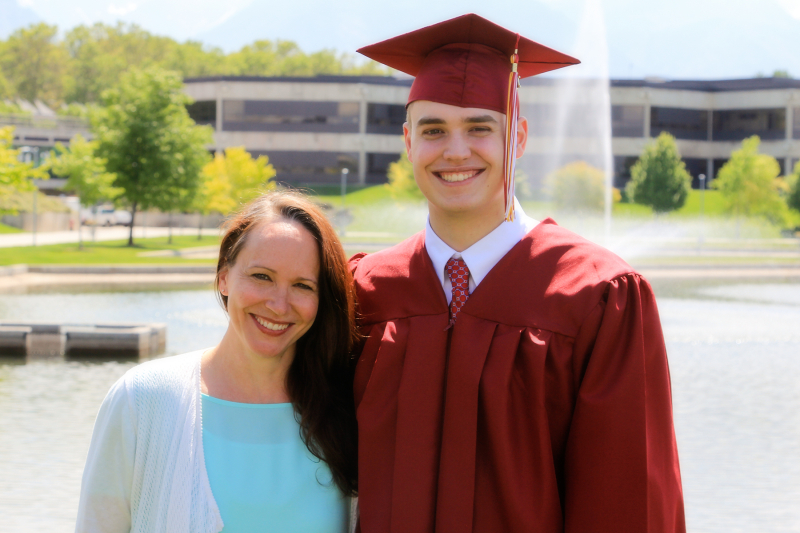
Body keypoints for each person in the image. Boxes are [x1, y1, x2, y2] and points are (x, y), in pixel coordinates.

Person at [349, 13, 685, 533]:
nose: (455, 150)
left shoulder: (597, 296)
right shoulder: (366, 291)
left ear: (519, 137)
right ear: (407, 142)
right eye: (433, 129)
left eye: (480, 128)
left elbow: (626, 499)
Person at [75, 191, 359, 533]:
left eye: (302, 286)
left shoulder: (348, 414)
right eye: (261, 277)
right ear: (224, 276)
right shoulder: (142, 400)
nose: (279, 305)